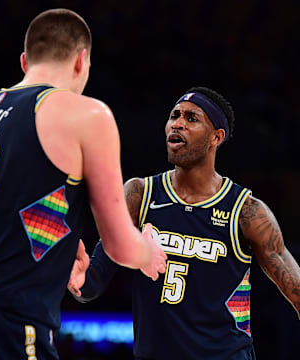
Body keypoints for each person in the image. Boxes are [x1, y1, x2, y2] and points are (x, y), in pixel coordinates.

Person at [0, 8, 166, 360]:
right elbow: (119, 244)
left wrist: (55, 238)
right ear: (81, 61)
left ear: (24, 61)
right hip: (8, 324)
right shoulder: (86, 114)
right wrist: (148, 253)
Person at [68, 86, 300, 360]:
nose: (177, 123)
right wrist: (78, 278)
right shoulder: (139, 195)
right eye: (174, 115)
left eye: (192, 118)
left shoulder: (246, 211)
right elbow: (91, 286)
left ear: (216, 137)